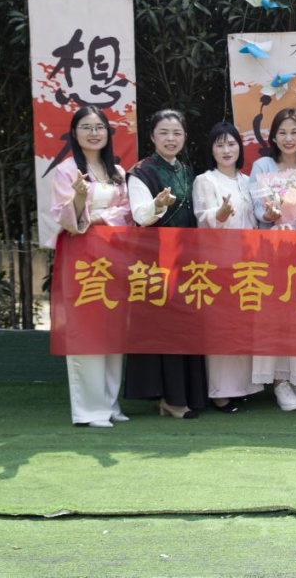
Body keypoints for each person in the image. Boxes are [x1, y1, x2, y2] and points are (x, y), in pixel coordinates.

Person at [48, 106, 133, 427]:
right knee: (87, 331)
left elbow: (127, 213)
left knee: (114, 328)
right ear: (75, 133)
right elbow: (64, 218)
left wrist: (96, 216)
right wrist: (80, 199)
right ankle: (90, 409)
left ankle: (111, 403)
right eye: (86, 127)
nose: (94, 133)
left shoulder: (117, 171)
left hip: (114, 256)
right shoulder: (66, 170)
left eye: (99, 127)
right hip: (82, 257)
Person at [125, 109, 208, 419]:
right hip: (155, 259)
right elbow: (140, 215)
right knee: (164, 327)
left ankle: (184, 394)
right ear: (152, 136)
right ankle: (170, 398)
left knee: (186, 325)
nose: (171, 139)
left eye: (177, 133)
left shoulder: (187, 170)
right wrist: (157, 205)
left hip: (187, 259)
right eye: (164, 132)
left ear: (184, 137)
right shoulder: (141, 172)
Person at [247, 108, 296, 412]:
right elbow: (257, 209)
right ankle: (279, 380)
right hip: (270, 250)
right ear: (273, 138)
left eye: (294, 132)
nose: (288, 138)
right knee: (273, 314)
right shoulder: (262, 165)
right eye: (282, 132)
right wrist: (270, 214)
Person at [192, 122, 265, 413]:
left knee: (243, 326)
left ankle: (243, 387)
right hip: (219, 264)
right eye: (219, 144)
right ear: (211, 150)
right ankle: (220, 392)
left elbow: (258, 218)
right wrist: (220, 213)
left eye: (231, 144)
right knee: (221, 328)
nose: (226, 150)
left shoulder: (248, 181)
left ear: (239, 147)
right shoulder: (205, 180)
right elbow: (202, 217)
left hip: (249, 264)